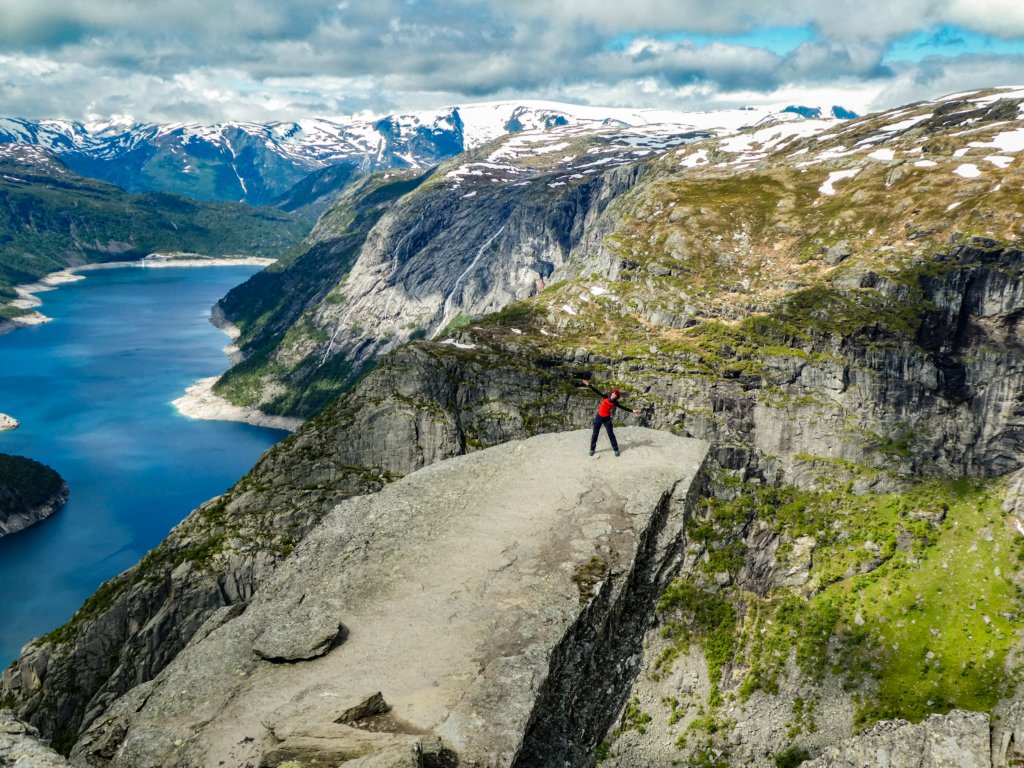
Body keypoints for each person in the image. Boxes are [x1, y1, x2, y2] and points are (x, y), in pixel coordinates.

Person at [582, 379, 642, 456]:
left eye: (615, 395)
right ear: (611, 393)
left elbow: (623, 407)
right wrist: (588, 384)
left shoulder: (615, 403)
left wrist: (634, 411)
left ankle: (616, 449)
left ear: (617, 397)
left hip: (607, 419)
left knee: (611, 434)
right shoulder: (605, 396)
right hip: (599, 417)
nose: (614, 395)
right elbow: (596, 391)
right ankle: (592, 449)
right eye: (613, 394)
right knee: (595, 434)